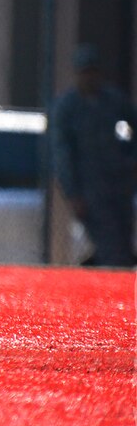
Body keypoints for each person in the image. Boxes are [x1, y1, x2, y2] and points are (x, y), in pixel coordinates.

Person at [50, 44, 137, 268]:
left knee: (123, 241)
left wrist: (130, 158)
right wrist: (73, 193)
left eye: (93, 71)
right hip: (91, 188)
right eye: (84, 72)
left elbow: (131, 124)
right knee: (111, 248)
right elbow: (63, 154)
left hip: (119, 183)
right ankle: (111, 288)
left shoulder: (113, 101)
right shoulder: (67, 107)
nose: (89, 77)